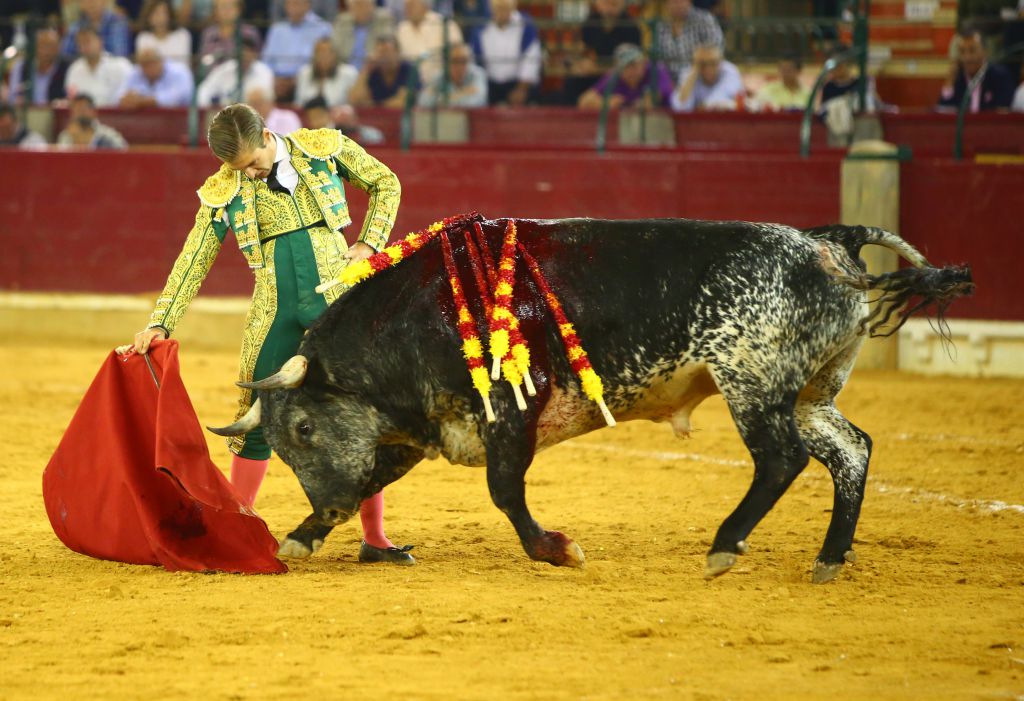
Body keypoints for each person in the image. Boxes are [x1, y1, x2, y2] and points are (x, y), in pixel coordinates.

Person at [119, 102, 411, 564]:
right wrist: (161, 320)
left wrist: (370, 242)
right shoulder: (224, 189)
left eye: (253, 162)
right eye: (239, 169)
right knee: (254, 414)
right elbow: (194, 257)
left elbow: (386, 182)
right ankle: (239, 534)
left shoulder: (322, 148)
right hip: (273, 310)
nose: (249, 174)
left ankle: (375, 538)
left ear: (267, 137)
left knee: (362, 414)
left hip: (337, 302)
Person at [564, 0, 641, 103]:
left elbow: (633, 65)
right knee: (572, 81)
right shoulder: (591, 22)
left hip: (619, 76)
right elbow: (580, 51)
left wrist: (598, 69)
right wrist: (579, 64)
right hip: (593, 74)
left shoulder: (631, 27)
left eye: (613, 3)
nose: (609, 7)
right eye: (605, 3)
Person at [471, 0, 541, 106]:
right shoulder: (481, 27)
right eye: (498, 7)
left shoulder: (526, 25)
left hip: (517, 83)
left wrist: (521, 89)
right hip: (490, 85)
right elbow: (475, 61)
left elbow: (531, 59)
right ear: (491, 7)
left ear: (513, 6)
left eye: (505, 7)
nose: (501, 12)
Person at [261, 0, 333, 102]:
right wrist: (276, 79)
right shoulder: (277, 29)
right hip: (278, 82)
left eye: (297, 3)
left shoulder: (323, 28)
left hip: (308, 79)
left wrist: (297, 79)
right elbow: (266, 61)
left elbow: (325, 61)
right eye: (289, 3)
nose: (293, 7)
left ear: (308, 4)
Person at [577, 42, 673, 110]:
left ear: (644, 62)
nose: (631, 70)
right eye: (626, 66)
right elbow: (584, 101)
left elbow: (655, 97)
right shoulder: (614, 77)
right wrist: (605, 103)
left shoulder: (656, 70)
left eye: (635, 65)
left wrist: (643, 103)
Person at [937, 29, 1015, 112]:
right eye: (962, 52)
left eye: (972, 51)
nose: (967, 57)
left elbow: (1003, 112)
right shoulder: (957, 78)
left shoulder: (1000, 76)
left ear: (985, 51)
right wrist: (949, 82)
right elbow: (943, 112)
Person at [196, 35, 274, 108]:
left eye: (248, 53)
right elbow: (204, 90)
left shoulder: (264, 72)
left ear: (254, 54)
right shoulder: (225, 69)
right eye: (242, 53)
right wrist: (207, 107)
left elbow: (266, 100)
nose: (244, 57)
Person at [652, 0, 722, 81]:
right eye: (673, 2)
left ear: (689, 2)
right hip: (669, 79)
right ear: (667, 4)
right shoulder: (661, 26)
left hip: (699, 76)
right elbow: (659, 58)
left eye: (681, 1)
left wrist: (696, 68)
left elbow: (716, 49)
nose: (678, 5)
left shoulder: (705, 20)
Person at [396, 0, 464, 82]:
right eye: (406, 5)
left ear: (425, 6)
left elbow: (458, 53)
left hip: (441, 82)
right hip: (410, 83)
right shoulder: (401, 28)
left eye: (412, 4)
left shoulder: (444, 24)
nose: (408, 8)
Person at [65, 27, 134, 107]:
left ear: (100, 41)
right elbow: (72, 99)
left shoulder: (120, 66)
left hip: (114, 113)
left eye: (87, 41)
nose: (84, 46)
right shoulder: (74, 69)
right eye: (80, 43)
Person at [5, 27, 70, 106]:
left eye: (51, 46)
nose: (46, 50)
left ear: (59, 48)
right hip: (26, 111)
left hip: (54, 112)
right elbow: (12, 98)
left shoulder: (67, 68)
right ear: (34, 46)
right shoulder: (21, 67)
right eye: (42, 45)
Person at [350, 35, 419, 108]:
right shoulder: (373, 71)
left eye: (387, 52)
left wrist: (375, 105)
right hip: (375, 114)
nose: (383, 56)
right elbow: (355, 99)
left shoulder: (409, 69)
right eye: (379, 52)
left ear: (397, 53)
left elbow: (404, 101)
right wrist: (365, 71)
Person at [670, 43, 742, 112]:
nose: (708, 68)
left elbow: (737, 102)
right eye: (702, 63)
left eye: (713, 62)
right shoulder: (689, 74)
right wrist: (693, 73)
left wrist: (706, 105)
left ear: (721, 62)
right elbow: (679, 107)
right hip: (697, 120)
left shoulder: (730, 71)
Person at [116, 47, 195, 108]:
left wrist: (143, 101)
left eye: (152, 63)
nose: (148, 68)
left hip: (178, 119)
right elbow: (118, 97)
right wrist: (125, 99)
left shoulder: (179, 71)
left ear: (161, 61)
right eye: (144, 64)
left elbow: (179, 97)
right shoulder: (136, 72)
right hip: (143, 121)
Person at [418, 42, 488, 107]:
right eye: (455, 61)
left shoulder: (478, 74)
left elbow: (474, 102)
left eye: (464, 60)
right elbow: (423, 101)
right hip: (446, 116)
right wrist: (463, 92)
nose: (460, 66)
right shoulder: (439, 76)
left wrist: (440, 98)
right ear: (445, 63)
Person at [295, 38, 360, 107]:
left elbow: (355, 104)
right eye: (319, 52)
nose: (323, 56)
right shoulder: (304, 72)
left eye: (328, 52)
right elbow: (298, 103)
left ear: (335, 55)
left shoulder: (349, 73)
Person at [332, 0, 395, 71]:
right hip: (346, 68)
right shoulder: (342, 21)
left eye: (365, 5)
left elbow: (386, 43)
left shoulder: (383, 19)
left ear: (372, 6)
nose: (361, 9)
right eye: (357, 5)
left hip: (374, 68)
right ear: (350, 8)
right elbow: (336, 48)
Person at [199, 0, 263, 68]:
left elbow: (258, 62)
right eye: (223, 7)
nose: (226, 11)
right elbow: (203, 63)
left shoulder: (250, 33)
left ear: (239, 10)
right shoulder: (208, 34)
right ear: (215, 11)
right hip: (213, 73)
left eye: (231, 6)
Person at [60, 0, 132, 59]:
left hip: (112, 69)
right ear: (81, 4)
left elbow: (119, 56)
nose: (91, 3)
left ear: (104, 1)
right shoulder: (75, 28)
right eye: (87, 0)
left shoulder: (118, 23)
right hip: (83, 69)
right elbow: (65, 57)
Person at [56, 93, 128, 149]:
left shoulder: (107, 135)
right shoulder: (66, 136)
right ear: (72, 114)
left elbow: (123, 152)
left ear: (94, 111)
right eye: (77, 109)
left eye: (84, 108)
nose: (81, 113)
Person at [303, 95, 385, 144]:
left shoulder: (344, 129)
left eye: (317, 116)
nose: (315, 122)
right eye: (311, 118)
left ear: (328, 114)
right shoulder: (310, 138)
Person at [135, 0, 193, 66]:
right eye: (156, 13)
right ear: (148, 17)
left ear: (170, 15)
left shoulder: (182, 35)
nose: (161, 17)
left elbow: (184, 64)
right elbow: (142, 66)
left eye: (164, 13)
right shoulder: (143, 37)